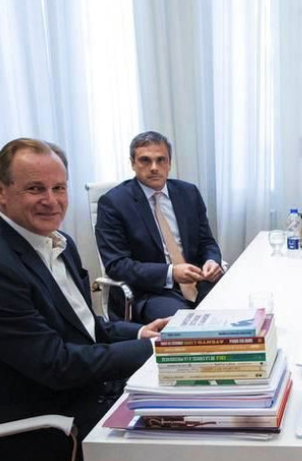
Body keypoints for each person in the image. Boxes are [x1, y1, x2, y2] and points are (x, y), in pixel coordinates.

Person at [0, 138, 166, 461]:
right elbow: (58, 365)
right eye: (35, 189)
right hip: (25, 435)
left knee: (183, 401)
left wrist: (141, 334)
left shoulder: (55, 242)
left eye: (59, 188)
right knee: (176, 429)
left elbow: (86, 327)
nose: (51, 200)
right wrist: (160, 351)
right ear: (0, 192)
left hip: (64, 396)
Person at [96, 131, 223, 323]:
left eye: (161, 160)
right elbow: (117, 265)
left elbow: (206, 242)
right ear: (132, 163)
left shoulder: (188, 193)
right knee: (186, 325)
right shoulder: (113, 203)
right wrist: (171, 273)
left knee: (236, 308)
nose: (154, 168)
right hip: (151, 292)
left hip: (198, 282)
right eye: (145, 160)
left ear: (169, 163)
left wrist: (212, 261)